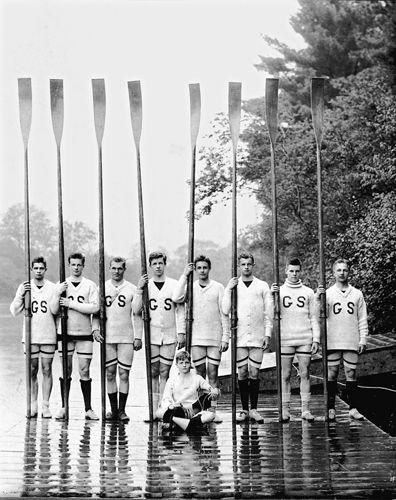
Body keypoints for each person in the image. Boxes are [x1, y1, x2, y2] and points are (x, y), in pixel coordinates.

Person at [172, 255, 229, 423]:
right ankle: (201, 410)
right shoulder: (190, 287)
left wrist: (225, 337)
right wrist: (184, 275)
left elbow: (224, 313)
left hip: (214, 336)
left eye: (205, 267)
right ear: (195, 270)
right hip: (196, 337)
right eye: (199, 268)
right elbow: (176, 298)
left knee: (213, 374)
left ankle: (212, 410)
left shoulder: (218, 287)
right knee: (199, 375)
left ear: (209, 269)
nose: (202, 271)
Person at [132, 251, 186, 417]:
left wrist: (181, 332)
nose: (158, 267)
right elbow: (135, 310)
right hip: (152, 336)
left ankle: (163, 408)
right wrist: (140, 289)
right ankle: (153, 408)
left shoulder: (173, 284)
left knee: (165, 371)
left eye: (160, 263)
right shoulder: (145, 286)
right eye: (154, 264)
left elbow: (180, 310)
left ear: (165, 264)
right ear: (150, 266)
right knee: (153, 372)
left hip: (169, 334)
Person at [222, 252, 273, 423]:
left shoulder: (262, 285)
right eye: (243, 264)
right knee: (242, 372)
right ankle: (244, 409)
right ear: (239, 266)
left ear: (253, 265)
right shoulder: (234, 286)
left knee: (255, 371)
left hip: (257, 335)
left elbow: (268, 312)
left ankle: (254, 409)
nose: (246, 267)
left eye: (249, 264)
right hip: (240, 336)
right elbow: (225, 310)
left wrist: (267, 333)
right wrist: (229, 289)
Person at [92, 257, 143, 422]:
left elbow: (137, 314)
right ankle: (112, 411)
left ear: (124, 269)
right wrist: (95, 329)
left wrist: (138, 337)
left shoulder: (132, 289)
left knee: (124, 374)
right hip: (108, 337)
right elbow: (96, 312)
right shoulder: (102, 287)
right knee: (110, 373)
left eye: (120, 268)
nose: (116, 271)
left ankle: (122, 411)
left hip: (126, 337)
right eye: (113, 268)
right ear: (109, 269)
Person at [317, 258, 368, 421]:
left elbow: (362, 318)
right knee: (332, 373)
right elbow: (318, 315)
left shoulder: (357, 294)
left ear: (349, 272)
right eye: (338, 270)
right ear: (333, 273)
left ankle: (353, 408)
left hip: (351, 338)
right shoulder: (328, 293)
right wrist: (318, 298)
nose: (342, 273)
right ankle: (331, 408)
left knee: (351, 372)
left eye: (344, 270)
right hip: (333, 339)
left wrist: (363, 339)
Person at [52, 252, 100, 420]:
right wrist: (58, 293)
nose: (76, 267)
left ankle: (88, 409)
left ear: (83, 265)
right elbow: (53, 309)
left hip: (84, 333)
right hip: (65, 333)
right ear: (69, 265)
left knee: (84, 370)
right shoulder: (61, 284)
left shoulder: (90, 285)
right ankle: (64, 407)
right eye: (73, 264)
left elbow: (94, 308)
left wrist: (71, 303)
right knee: (66, 370)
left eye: (79, 264)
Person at [271, 258, 320, 422]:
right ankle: (285, 410)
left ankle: (305, 409)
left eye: (297, 271)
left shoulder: (308, 292)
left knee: (305, 373)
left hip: (304, 336)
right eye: (291, 271)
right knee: (285, 375)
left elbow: (314, 317)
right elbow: (272, 314)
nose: (294, 274)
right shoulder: (279, 291)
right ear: (286, 270)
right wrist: (272, 296)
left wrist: (316, 339)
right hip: (285, 338)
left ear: (301, 272)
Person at [10, 257, 57, 418]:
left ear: (45, 269)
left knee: (47, 369)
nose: (38, 271)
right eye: (35, 268)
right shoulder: (25, 286)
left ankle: (46, 405)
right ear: (31, 269)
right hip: (30, 335)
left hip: (48, 334)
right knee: (32, 370)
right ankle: (33, 404)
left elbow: (56, 311)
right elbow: (14, 311)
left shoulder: (51, 287)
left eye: (41, 268)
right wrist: (21, 294)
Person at [157, 350, 219, 432]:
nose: (184, 365)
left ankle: (178, 422)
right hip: (177, 410)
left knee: (211, 415)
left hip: (192, 412)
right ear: (176, 365)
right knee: (158, 412)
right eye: (181, 363)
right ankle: (190, 424)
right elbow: (166, 397)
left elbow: (208, 387)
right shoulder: (172, 380)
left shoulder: (197, 378)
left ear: (190, 364)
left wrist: (214, 390)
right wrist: (170, 406)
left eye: (186, 362)